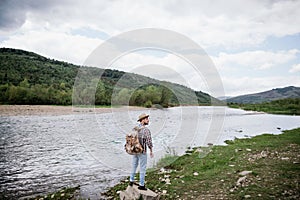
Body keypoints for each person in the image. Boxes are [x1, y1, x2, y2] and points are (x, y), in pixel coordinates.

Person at [129, 113, 154, 190]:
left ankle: (131, 180)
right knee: (143, 167)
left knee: (134, 165)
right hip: (142, 151)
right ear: (142, 120)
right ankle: (141, 185)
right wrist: (151, 150)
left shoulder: (135, 128)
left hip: (135, 150)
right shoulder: (146, 130)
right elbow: (149, 141)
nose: (148, 120)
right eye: (146, 119)